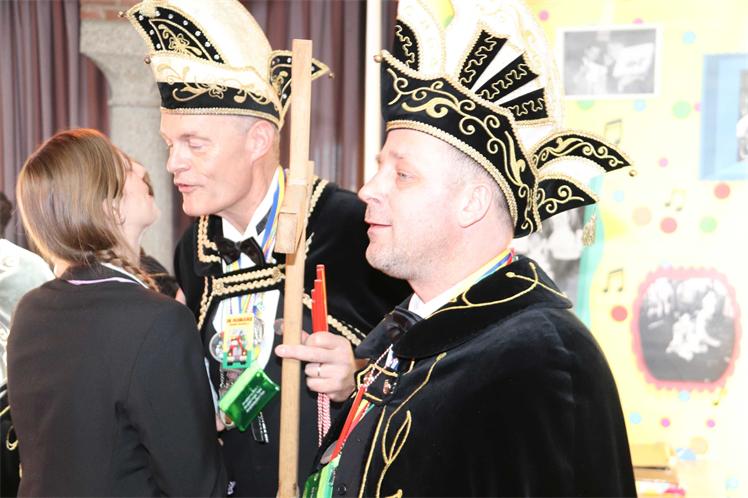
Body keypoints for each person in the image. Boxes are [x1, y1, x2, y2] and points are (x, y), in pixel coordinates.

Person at [305, 1, 636, 496]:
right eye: (379, 167)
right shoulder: (410, 334)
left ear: (472, 203)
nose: (368, 190)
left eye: (402, 174)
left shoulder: (537, 362)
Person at [125, 1, 408, 495]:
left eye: (194, 143)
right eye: (170, 144)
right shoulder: (194, 250)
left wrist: (356, 376)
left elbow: (423, 365)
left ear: (258, 140)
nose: (173, 164)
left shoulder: (350, 227)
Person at [8, 129, 226, 496]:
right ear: (107, 205)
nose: (143, 170)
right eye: (126, 168)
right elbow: (196, 485)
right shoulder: (157, 321)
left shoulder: (31, 310)